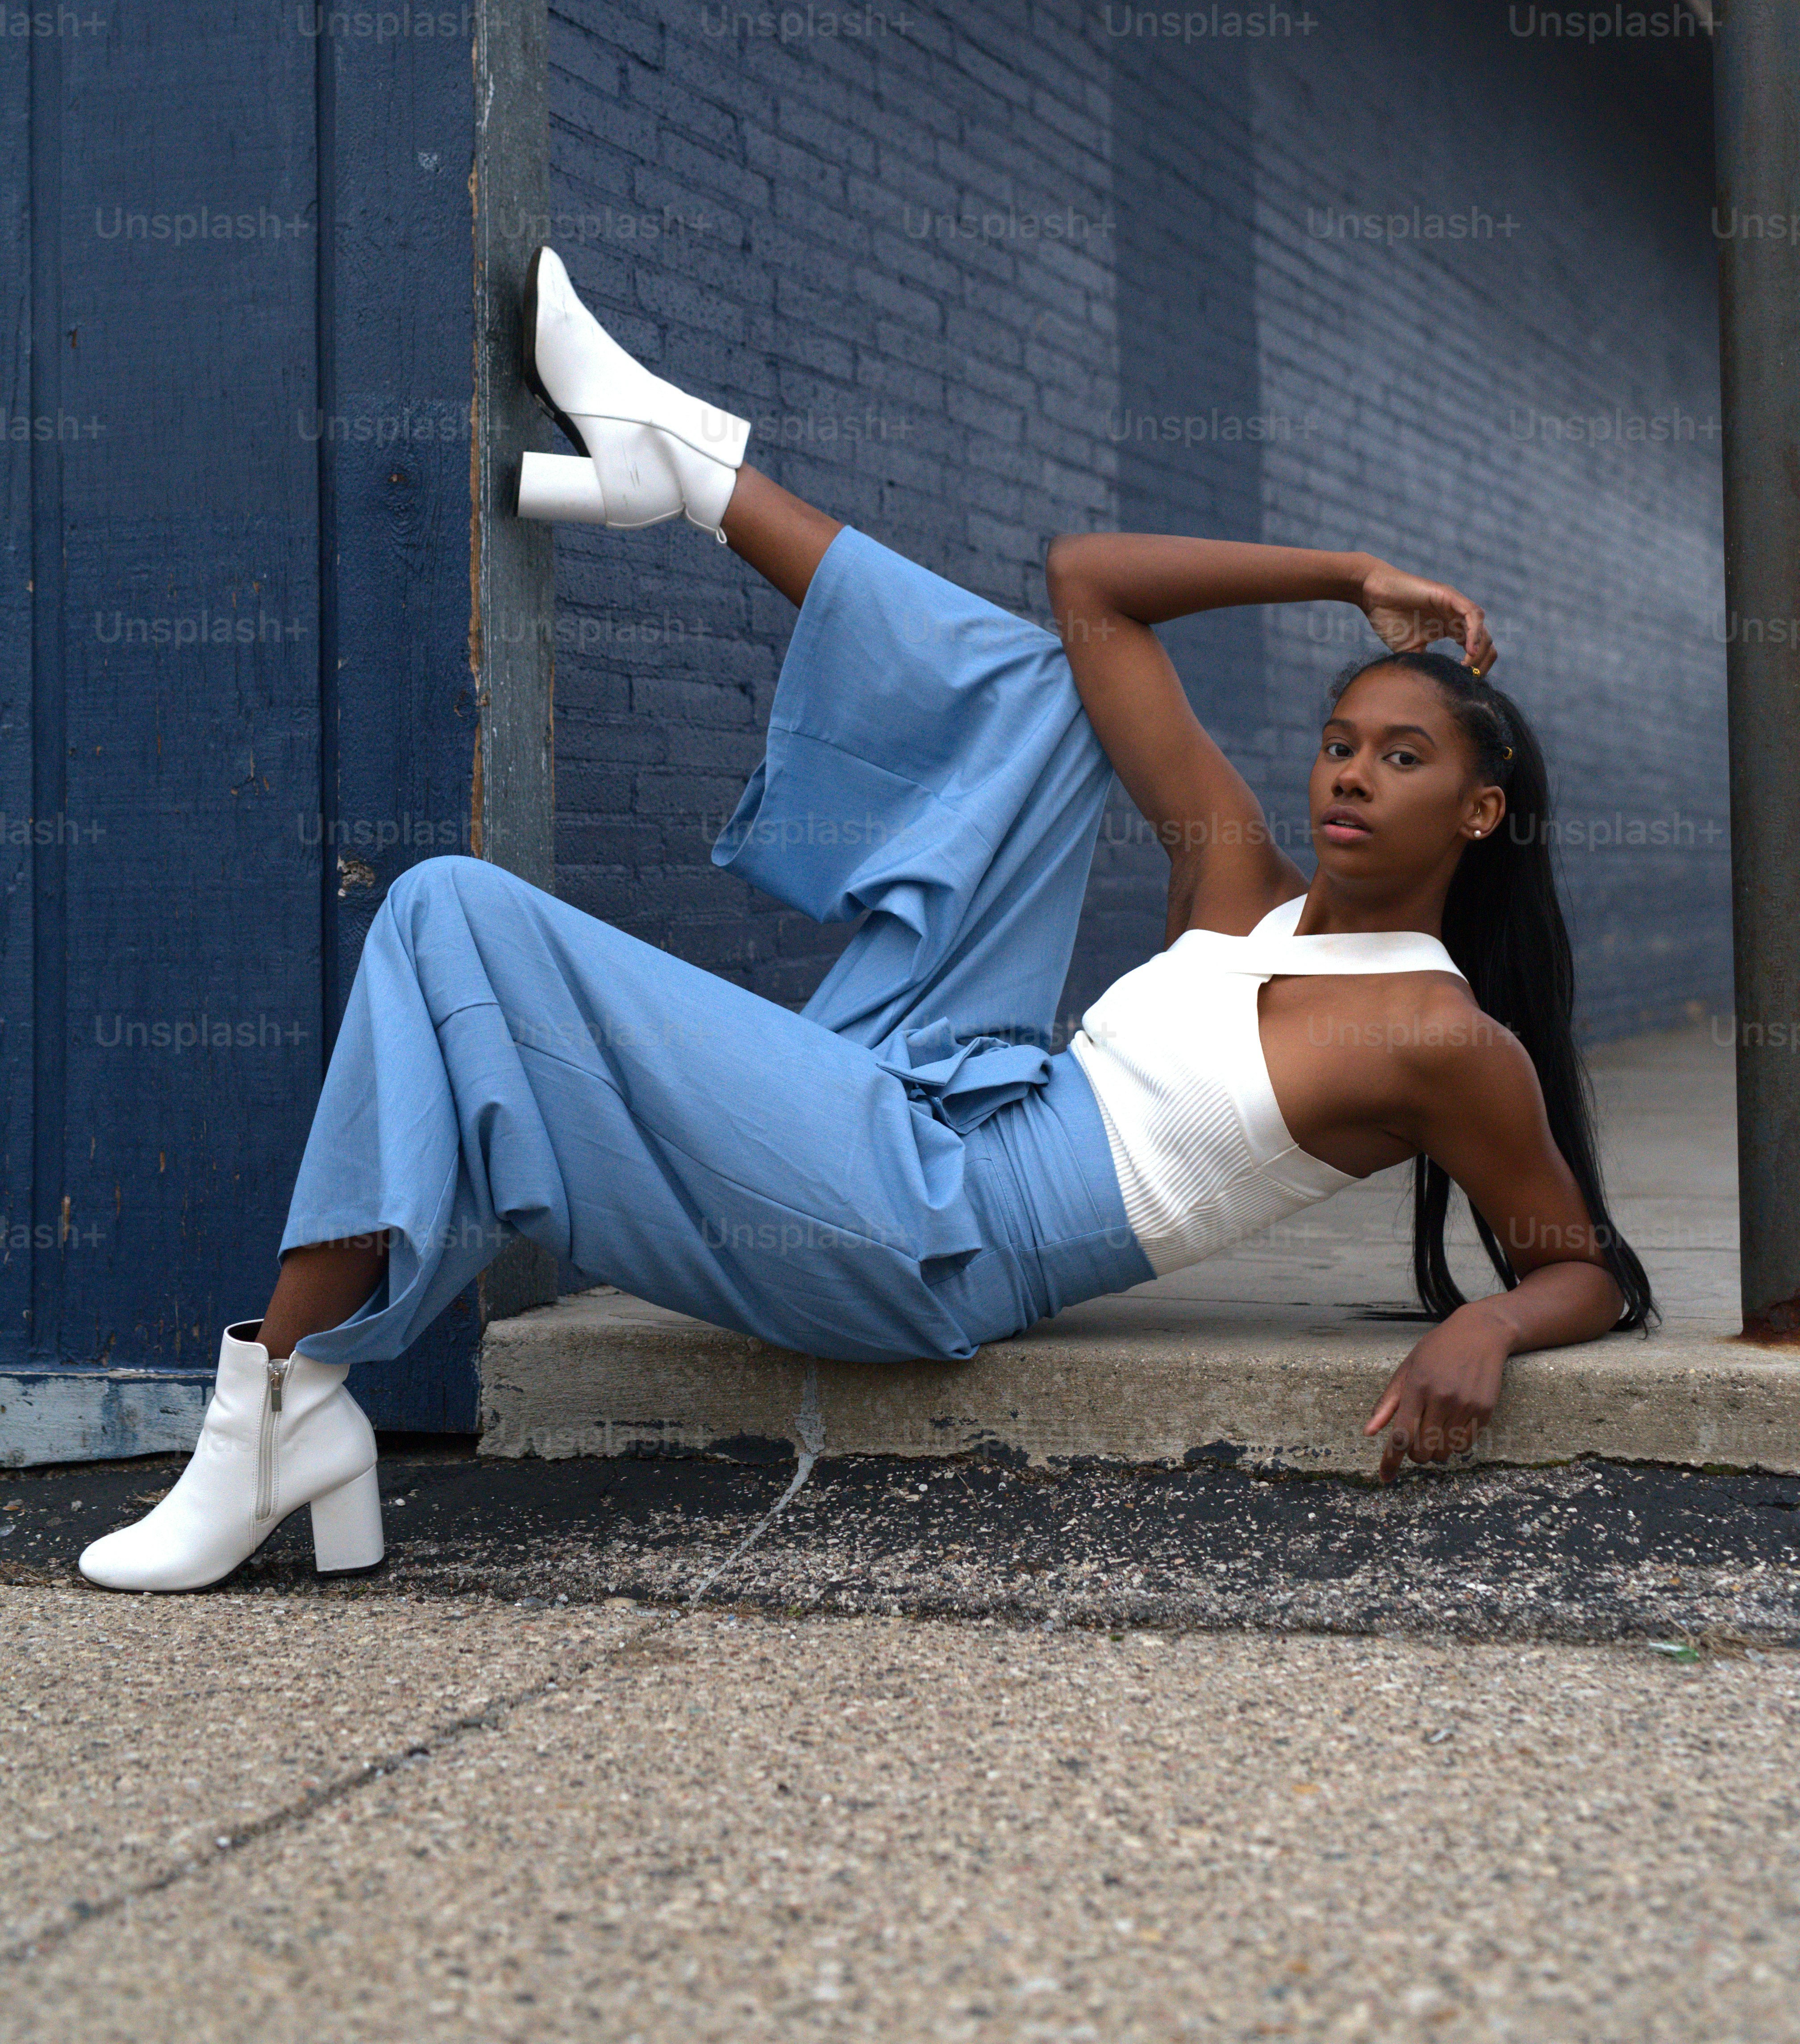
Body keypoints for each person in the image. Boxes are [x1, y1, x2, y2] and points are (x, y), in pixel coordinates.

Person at [79, 251, 1651, 1593]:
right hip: (940, 1085)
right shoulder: (1240, 882)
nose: (1352, 775)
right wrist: (1345, 572)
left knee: (446, 914)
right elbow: (1090, 586)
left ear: (1480, 810)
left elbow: (1582, 1263)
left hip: (933, 1235)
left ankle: (279, 1405)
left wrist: (1496, 1334)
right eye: (1341, 739)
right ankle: (681, 473)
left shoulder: (1444, 1035)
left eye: (1404, 756)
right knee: (1048, 696)